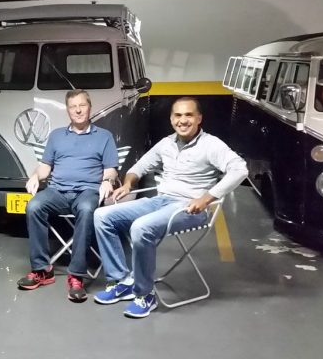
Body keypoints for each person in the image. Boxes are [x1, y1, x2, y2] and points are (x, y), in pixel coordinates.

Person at [92, 97, 248, 318]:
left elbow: (240, 170)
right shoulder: (166, 143)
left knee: (141, 227)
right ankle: (122, 281)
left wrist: (207, 198)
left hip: (190, 208)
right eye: (178, 115)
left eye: (188, 115)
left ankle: (145, 295)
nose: (182, 120)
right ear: (171, 119)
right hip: (161, 201)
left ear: (199, 118)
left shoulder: (211, 145)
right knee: (102, 215)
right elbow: (139, 166)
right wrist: (128, 184)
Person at [17, 89, 119, 303]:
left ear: (89, 107)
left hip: (87, 192)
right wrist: (35, 176)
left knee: (86, 209)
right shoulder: (56, 136)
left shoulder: (104, 136)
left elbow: (111, 169)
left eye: (82, 105)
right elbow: (45, 167)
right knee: (34, 206)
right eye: (73, 106)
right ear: (68, 110)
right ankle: (42, 270)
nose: (78, 110)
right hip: (57, 191)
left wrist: (107, 181)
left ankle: (76, 275)